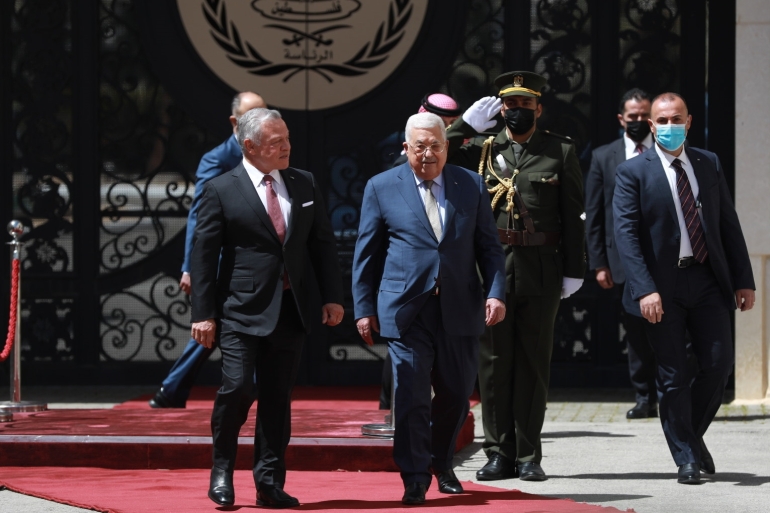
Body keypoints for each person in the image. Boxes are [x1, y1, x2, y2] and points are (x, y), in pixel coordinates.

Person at [190, 108, 344, 506]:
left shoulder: (304, 182)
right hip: (240, 309)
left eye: (287, 138)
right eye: (276, 142)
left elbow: (322, 244)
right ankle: (222, 470)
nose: (287, 147)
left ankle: (269, 483)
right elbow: (203, 257)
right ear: (250, 146)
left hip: (291, 309)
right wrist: (203, 314)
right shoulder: (221, 189)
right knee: (238, 387)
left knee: (277, 398)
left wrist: (332, 296)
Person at [352, 112, 506, 504]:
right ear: (406, 148)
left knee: (456, 394)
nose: (428, 154)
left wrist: (496, 292)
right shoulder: (382, 187)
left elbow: (489, 247)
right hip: (407, 310)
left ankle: (442, 462)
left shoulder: (470, 184)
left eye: (435, 145)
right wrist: (363, 307)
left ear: (447, 147)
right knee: (411, 394)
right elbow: (366, 254)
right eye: (420, 146)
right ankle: (415, 475)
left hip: (459, 306)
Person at [446, 71, 586, 481]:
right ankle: (498, 453)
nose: (517, 111)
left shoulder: (560, 150)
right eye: (510, 104)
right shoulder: (482, 147)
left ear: (539, 109)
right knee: (493, 364)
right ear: (501, 109)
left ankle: (528, 455)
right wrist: (463, 126)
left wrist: (574, 270)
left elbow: (573, 214)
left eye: (526, 104)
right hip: (491, 271)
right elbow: (434, 155)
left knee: (532, 364)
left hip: (541, 268)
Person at [613, 92, 755, 484]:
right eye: (662, 120)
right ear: (651, 125)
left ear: (689, 121)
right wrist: (644, 289)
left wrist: (744, 279)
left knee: (719, 364)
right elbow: (626, 236)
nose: (670, 126)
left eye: (677, 119)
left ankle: (688, 435)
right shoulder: (632, 172)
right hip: (662, 286)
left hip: (707, 278)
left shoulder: (708, 163)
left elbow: (728, 223)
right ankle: (686, 457)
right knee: (673, 373)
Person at [149, 92, 266, 408]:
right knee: (215, 326)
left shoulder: (270, 155)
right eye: (252, 116)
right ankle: (175, 389)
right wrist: (191, 267)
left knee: (221, 328)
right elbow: (200, 217)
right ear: (234, 122)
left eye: (264, 113)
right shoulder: (218, 160)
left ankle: (172, 391)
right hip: (223, 263)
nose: (260, 121)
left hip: (255, 262)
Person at [585, 88, 659, 419]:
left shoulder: (666, 151)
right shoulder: (604, 157)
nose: (639, 121)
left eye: (645, 116)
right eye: (633, 117)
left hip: (664, 256)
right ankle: (645, 397)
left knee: (671, 329)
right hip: (622, 261)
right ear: (621, 119)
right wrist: (599, 262)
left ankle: (673, 394)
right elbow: (595, 212)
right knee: (637, 331)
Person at [389, 93, 462, 170]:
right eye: (441, 123)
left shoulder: (465, 153)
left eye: (453, 123)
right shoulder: (406, 163)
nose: (449, 128)